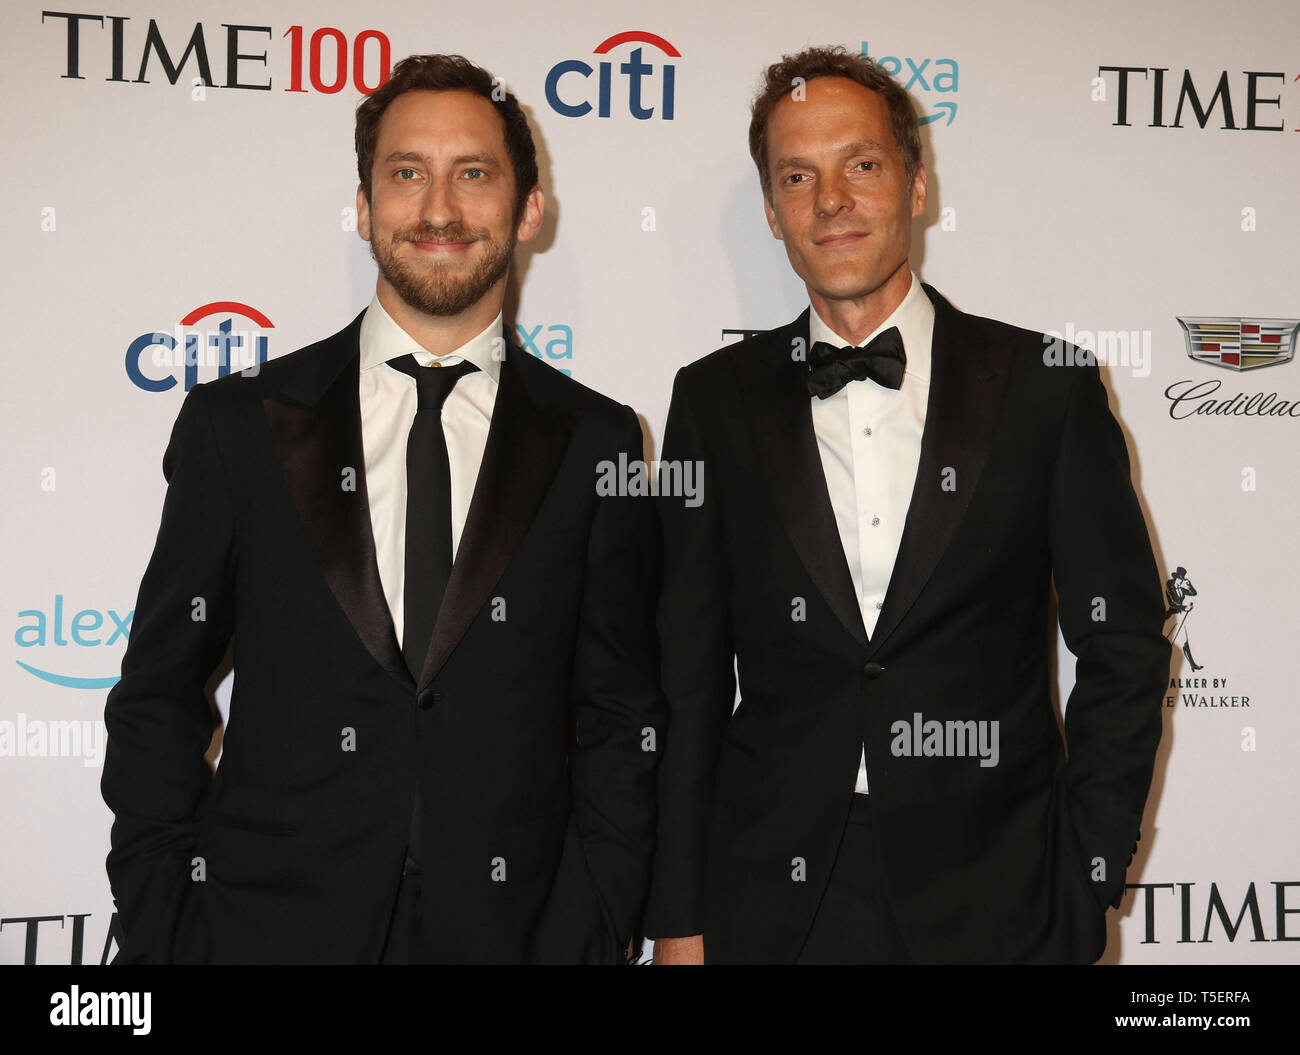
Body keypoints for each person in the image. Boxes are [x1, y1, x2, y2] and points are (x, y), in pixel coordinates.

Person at [102, 53, 663, 964]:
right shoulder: (238, 426)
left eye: (473, 174)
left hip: (516, 937)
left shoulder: (596, 441)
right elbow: (158, 693)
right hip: (260, 934)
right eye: (407, 174)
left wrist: (596, 922)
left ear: (527, 211)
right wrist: (168, 914)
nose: (439, 208)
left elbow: (620, 713)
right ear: (363, 207)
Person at [645, 46, 1168, 964]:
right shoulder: (713, 400)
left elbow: (1123, 649)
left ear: (917, 186)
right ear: (772, 211)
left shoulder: (1046, 387)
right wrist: (680, 917)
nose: (831, 200)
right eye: (797, 176)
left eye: (863, 164)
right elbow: (686, 681)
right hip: (772, 906)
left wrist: (1087, 881)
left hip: (1003, 900)